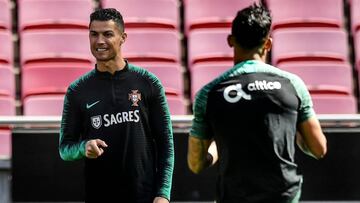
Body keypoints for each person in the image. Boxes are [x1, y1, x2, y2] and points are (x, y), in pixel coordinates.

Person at [187, 3, 327, 203]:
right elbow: (319, 148)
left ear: (230, 41)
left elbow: (195, 163)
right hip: (284, 195)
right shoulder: (293, 85)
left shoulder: (209, 93)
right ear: (268, 44)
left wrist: (218, 146)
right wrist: (292, 132)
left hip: (234, 196)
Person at [59, 8, 174, 203]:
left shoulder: (148, 83)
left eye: (108, 34)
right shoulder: (77, 90)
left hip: (143, 197)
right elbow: (65, 148)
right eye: (94, 34)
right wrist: (83, 147)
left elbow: (166, 145)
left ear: (123, 37)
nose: (100, 41)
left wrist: (163, 194)